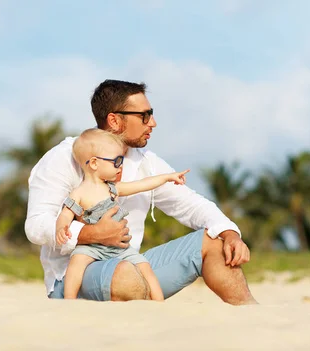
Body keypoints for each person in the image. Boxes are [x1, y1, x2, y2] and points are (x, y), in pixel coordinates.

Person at [25, 79, 257, 304]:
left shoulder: (148, 163)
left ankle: (250, 318)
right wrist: (90, 233)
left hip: (129, 263)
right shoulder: (64, 158)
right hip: (73, 274)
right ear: (114, 120)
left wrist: (230, 234)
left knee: (216, 240)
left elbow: (191, 204)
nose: (153, 123)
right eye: (144, 115)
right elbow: (36, 226)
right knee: (125, 274)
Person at [55, 128, 189, 300]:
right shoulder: (78, 193)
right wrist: (61, 227)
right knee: (76, 263)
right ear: (94, 163)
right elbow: (66, 214)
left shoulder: (113, 189)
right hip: (90, 247)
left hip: (120, 247)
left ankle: (158, 302)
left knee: (144, 266)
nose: (120, 167)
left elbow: (142, 184)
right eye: (116, 161)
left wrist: (167, 177)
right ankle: (69, 300)